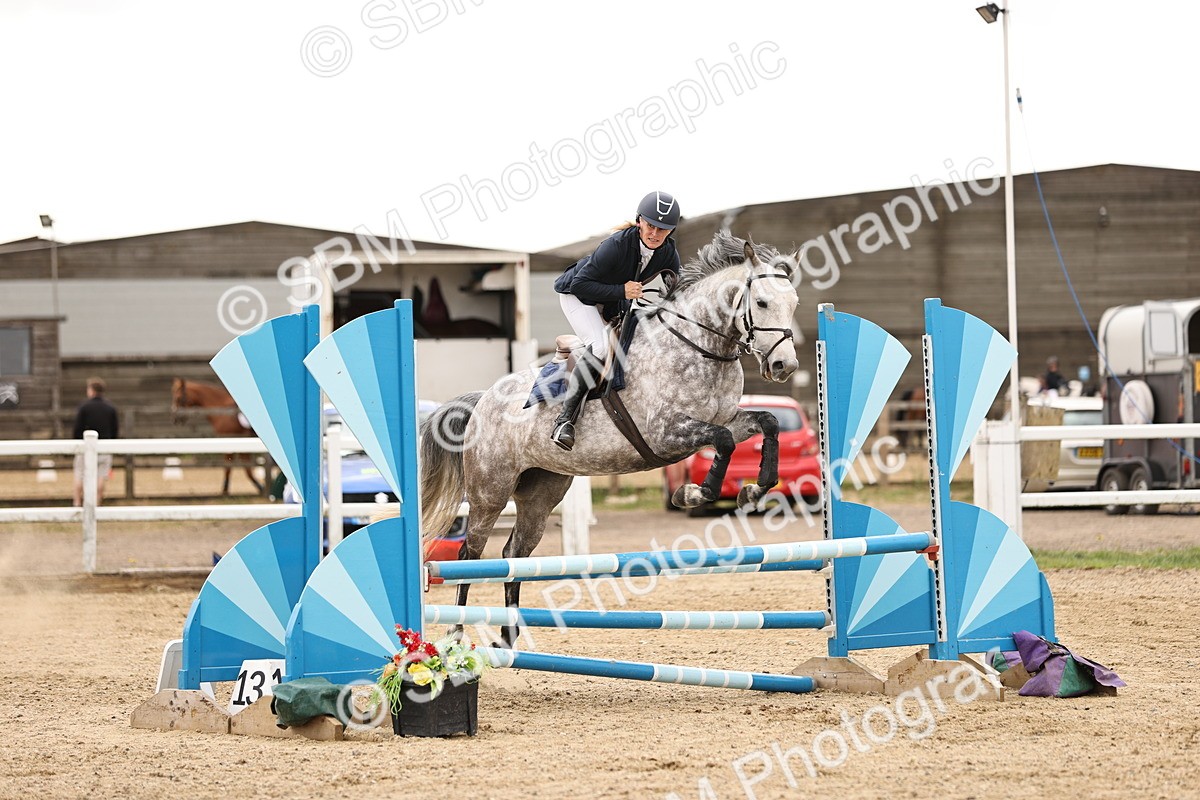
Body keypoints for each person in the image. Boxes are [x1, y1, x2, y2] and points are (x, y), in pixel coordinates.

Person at [549, 190, 683, 450]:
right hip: (578, 296)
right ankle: (564, 422)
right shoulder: (617, 245)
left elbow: (677, 292)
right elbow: (580, 285)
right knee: (600, 347)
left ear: (671, 231)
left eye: (663, 229)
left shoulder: (668, 253)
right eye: (650, 225)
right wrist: (622, 291)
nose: (655, 234)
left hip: (613, 300)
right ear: (639, 221)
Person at [72, 377, 119, 506]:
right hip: (104, 447)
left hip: (85, 447)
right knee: (101, 476)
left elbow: (77, 428)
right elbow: (115, 429)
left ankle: (77, 502)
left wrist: (77, 444)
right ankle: (97, 502)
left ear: (91, 390)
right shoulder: (110, 408)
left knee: (80, 474)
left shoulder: (84, 407)